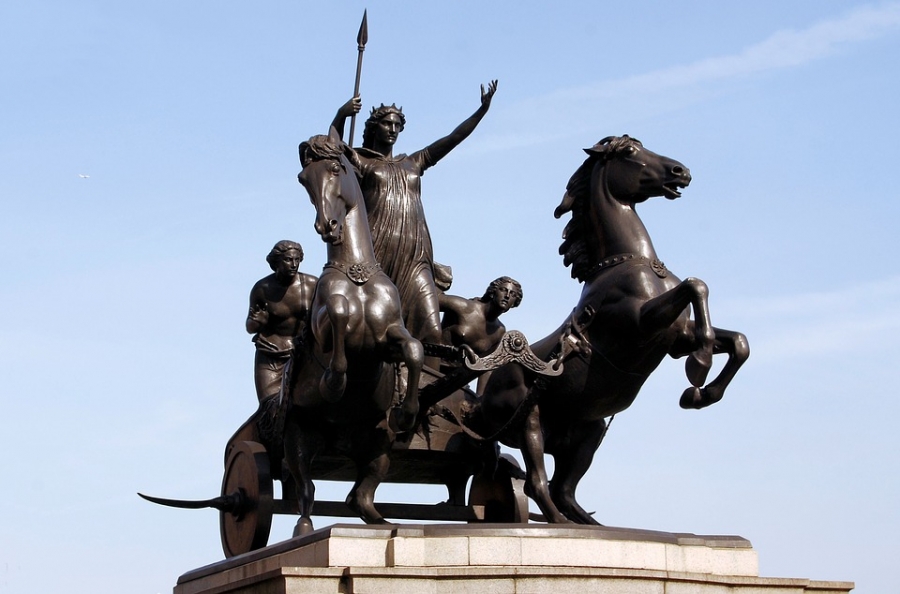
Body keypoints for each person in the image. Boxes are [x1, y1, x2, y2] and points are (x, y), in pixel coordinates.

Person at [330, 81, 498, 354]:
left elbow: (453, 139)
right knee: (375, 329)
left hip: (415, 256)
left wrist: (481, 112)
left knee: (430, 329)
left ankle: (427, 393)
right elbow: (331, 148)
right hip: (377, 252)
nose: (394, 130)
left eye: (398, 126)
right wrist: (341, 114)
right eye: (388, 124)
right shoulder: (361, 162)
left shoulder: (413, 162)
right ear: (374, 127)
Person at [246, 240, 318, 403]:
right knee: (269, 409)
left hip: (303, 354)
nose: (293, 264)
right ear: (276, 262)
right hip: (271, 356)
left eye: (297, 260)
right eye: (288, 260)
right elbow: (250, 327)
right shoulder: (262, 289)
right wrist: (259, 322)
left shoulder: (312, 285)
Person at [439, 276, 523, 394]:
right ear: (493, 292)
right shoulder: (463, 306)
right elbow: (424, 302)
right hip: (430, 368)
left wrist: (480, 400)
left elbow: (486, 366)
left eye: (513, 294)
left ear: (514, 303)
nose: (507, 296)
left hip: (455, 384)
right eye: (503, 290)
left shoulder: (500, 331)